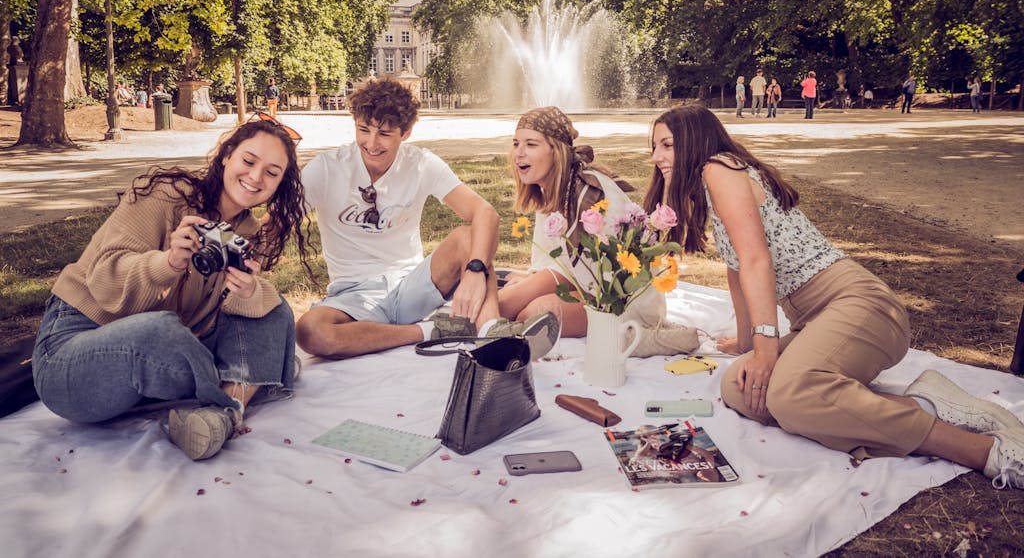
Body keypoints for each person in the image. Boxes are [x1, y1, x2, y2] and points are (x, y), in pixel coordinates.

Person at [644, 104, 1024, 490]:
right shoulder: (715, 180)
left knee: (790, 395)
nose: (656, 157)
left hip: (861, 306)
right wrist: (746, 346)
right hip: (817, 320)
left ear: (694, 141)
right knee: (739, 388)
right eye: (654, 146)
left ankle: (983, 451)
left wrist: (764, 348)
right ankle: (925, 406)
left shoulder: (717, 167)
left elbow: (757, 260)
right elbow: (738, 269)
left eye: (667, 145)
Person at [32, 118, 312, 461]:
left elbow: (248, 312)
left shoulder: (240, 234)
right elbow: (103, 280)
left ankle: (222, 415)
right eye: (249, 161)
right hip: (75, 356)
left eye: (272, 172)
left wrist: (249, 290)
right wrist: (167, 263)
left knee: (272, 307)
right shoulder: (166, 194)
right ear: (226, 156)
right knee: (160, 330)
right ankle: (245, 386)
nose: (256, 177)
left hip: (156, 363)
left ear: (280, 184)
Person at [296, 79, 557, 361]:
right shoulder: (326, 167)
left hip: (411, 286)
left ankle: (493, 335)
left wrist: (474, 270)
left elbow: (486, 213)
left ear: (405, 132)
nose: (371, 144)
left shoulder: (421, 163)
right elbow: (279, 220)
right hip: (353, 296)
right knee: (311, 331)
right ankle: (432, 331)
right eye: (363, 130)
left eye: (384, 134)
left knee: (469, 238)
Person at [497, 106, 698, 356]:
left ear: (556, 152)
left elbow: (599, 272)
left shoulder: (588, 193)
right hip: (580, 283)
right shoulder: (548, 187)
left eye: (531, 144)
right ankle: (481, 325)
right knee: (511, 294)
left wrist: (534, 284)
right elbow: (554, 260)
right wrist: (532, 280)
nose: (519, 153)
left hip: (619, 300)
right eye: (516, 144)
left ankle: (484, 330)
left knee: (531, 311)